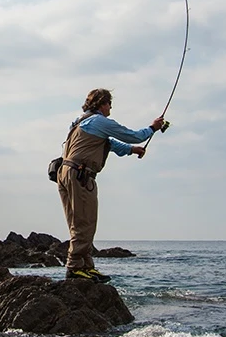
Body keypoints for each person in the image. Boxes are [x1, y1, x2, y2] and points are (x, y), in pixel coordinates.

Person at [57, 88, 165, 283]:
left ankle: (86, 267)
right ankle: (74, 268)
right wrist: (153, 128)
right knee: (85, 222)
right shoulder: (100, 121)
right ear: (101, 104)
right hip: (81, 175)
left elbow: (108, 144)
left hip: (65, 173)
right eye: (109, 104)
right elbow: (133, 135)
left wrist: (132, 150)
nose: (110, 108)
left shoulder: (80, 121)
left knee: (78, 222)